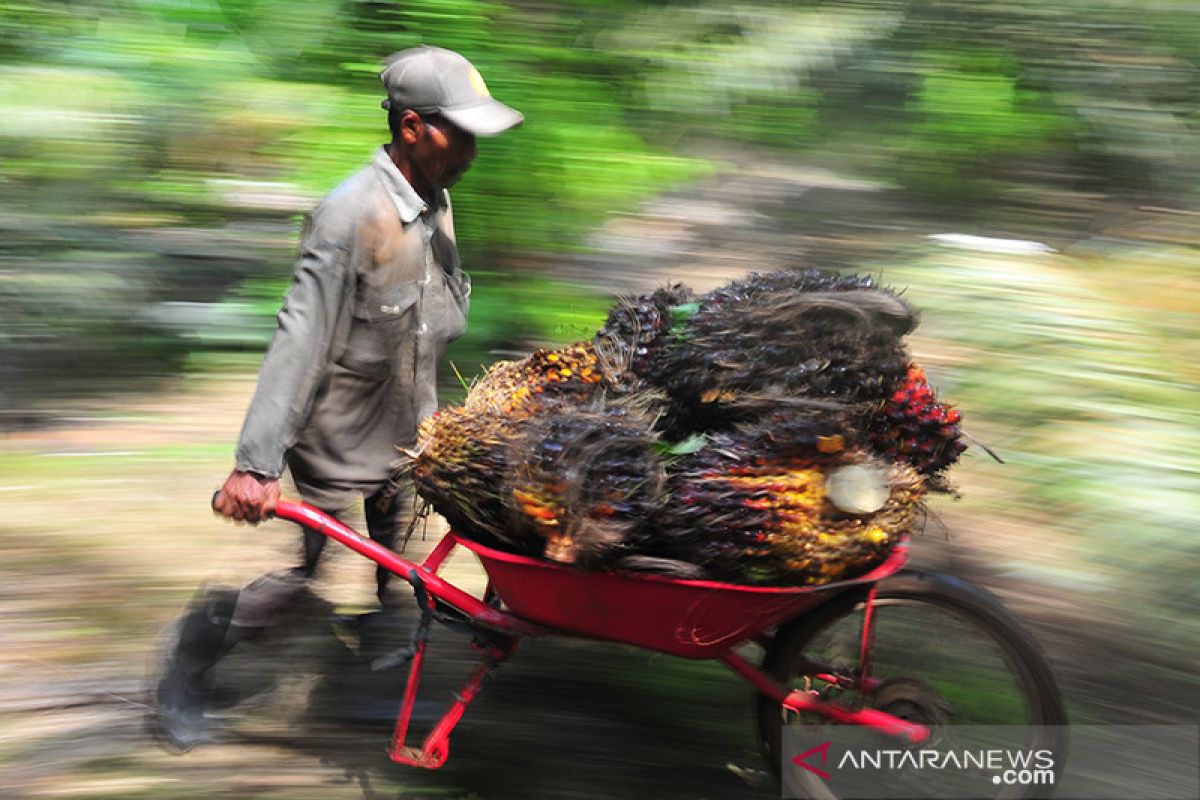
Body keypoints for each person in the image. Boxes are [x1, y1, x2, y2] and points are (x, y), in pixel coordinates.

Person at [153, 44, 522, 750]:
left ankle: (372, 687)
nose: (472, 147)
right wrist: (255, 465)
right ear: (412, 128)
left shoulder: (435, 202)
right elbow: (300, 339)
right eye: (461, 130)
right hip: (336, 435)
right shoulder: (350, 214)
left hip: (403, 428)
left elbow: (428, 315)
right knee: (308, 571)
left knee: (397, 568)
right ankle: (189, 665)